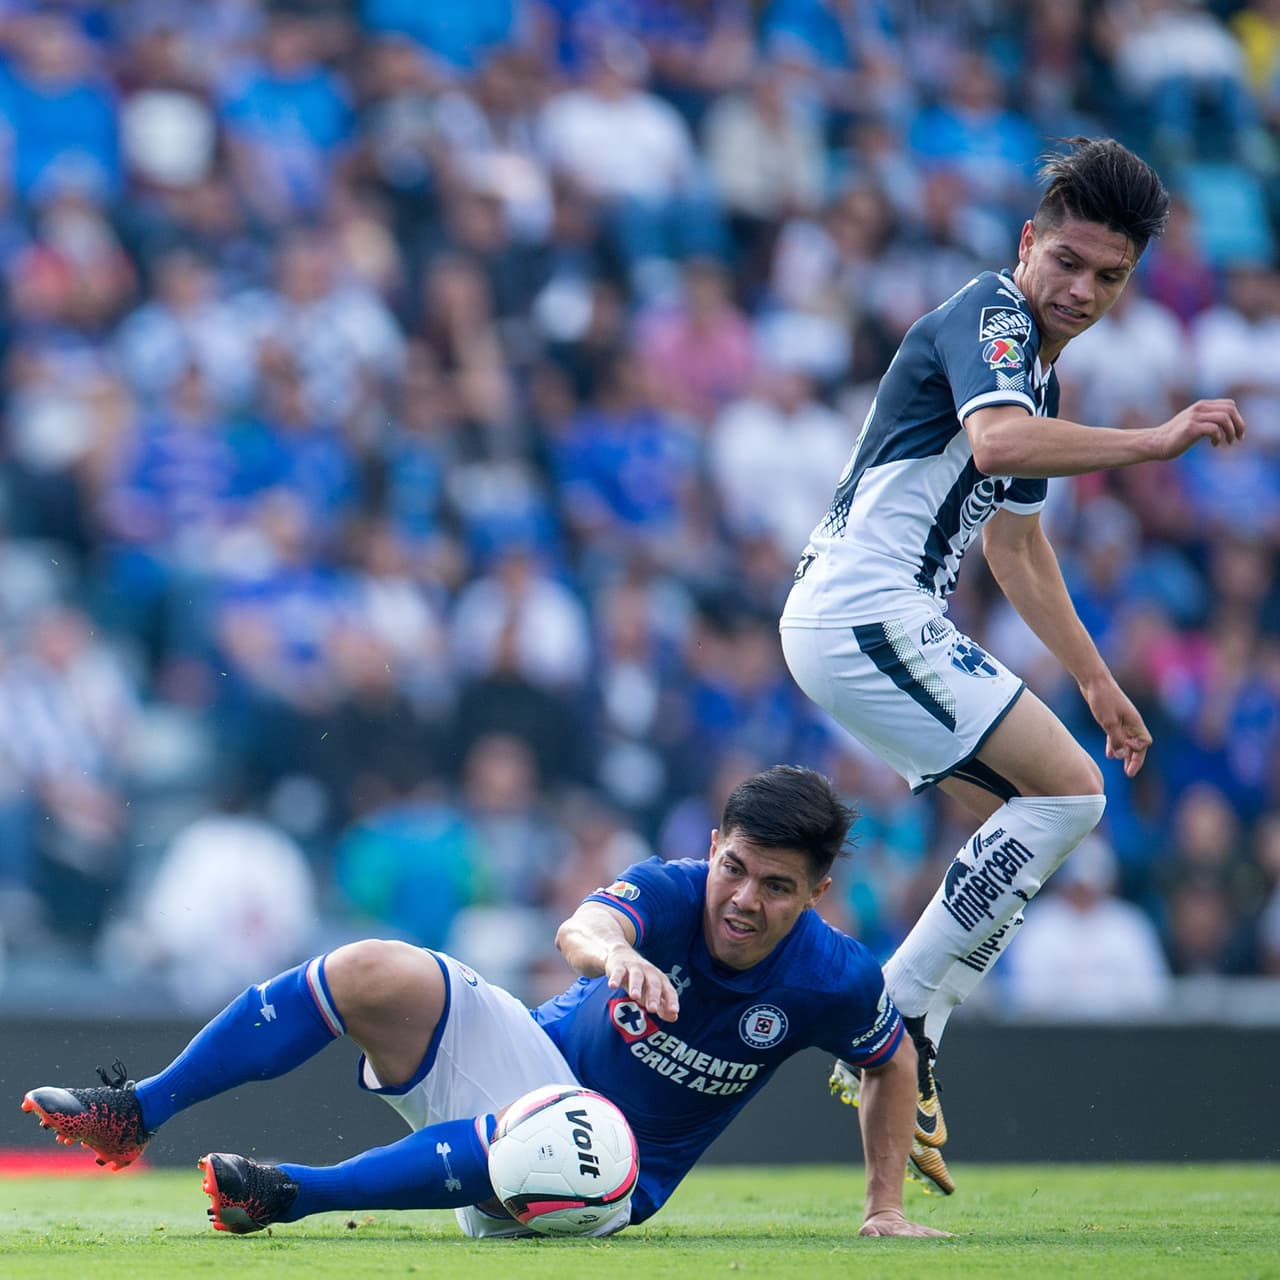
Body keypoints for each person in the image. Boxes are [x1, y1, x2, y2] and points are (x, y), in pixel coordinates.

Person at [779, 136, 1246, 1194]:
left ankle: (912, 1045)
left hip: (864, 619)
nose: (1082, 290)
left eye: (1110, 278)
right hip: (864, 609)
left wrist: (1092, 677)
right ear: (1026, 242)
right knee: (1068, 795)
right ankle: (889, 1016)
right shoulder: (988, 318)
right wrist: (1152, 437)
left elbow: (1014, 543)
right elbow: (995, 448)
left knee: (1042, 818)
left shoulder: (1032, 361)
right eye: (1068, 263)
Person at [21, 766, 946, 1241]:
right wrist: (616, 956)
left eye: (776, 886)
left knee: (576, 1129)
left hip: (608, 1178)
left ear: (816, 892)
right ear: (714, 846)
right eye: (733, 867)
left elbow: (891, 1059)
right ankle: (138, 1110)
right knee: (379, 965)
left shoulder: (834, 976)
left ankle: (295, 1195)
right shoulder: (670, 890)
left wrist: (882, 1205)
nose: (742, 898)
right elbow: (579, 930)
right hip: (522, 1067)